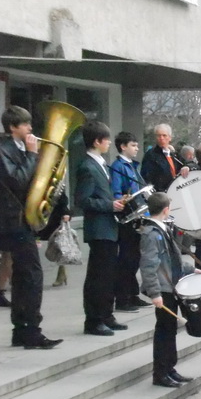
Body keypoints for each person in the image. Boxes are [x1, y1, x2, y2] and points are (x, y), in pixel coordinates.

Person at [0, 106, 63, 349]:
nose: (30, 129)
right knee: (33, 276)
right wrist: (33, 156)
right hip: (13, 222)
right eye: (25, 124)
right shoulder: (2, 150)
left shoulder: (19, 149)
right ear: (13, 127)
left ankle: (21, 330)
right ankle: (32, 331)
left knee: (24, 277)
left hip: (23, 221)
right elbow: (17, 181)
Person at [139, 192, 198, 388]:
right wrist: (155, 294)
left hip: (171, 286)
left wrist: (190, 269)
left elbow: (171, 260)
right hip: (163, 290)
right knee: (164, 331)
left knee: (170, 330)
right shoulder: (151, 233)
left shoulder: (162, 229)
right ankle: (161, 373)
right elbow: (149, 266)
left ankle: (170, 368)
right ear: (166, 210)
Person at [76, 120, 127, 337]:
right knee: (98, 276)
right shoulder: (87, 166)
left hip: (109, 226)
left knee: (108, 275)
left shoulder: (101, 163)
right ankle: (94, 319)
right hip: (99, 229)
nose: (109, 144)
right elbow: (83, 199)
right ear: (97, 141)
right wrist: (109, 205)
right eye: (106, 140)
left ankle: (106, 314)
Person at [110, 131, 150, 312]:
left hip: (139, 214)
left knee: (135, 257)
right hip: (127, 218)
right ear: (123, 147)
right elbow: (117, 192)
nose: (136, 148)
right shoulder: (118, 167)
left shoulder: (133, 166)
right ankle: (122, 298)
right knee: (127, 258)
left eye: (136, 145)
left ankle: (132, 294)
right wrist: (126, 201)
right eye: (133, 145)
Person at [140, 124, 189, 193]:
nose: (161, 138)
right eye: (158, 135)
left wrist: (186, 167)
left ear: (170, 138)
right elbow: (146, 178)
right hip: (161, 193)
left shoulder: (173, 154)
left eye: (164, 135)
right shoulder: (151, 155)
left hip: (176, 190)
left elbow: (187, 163)